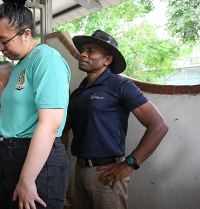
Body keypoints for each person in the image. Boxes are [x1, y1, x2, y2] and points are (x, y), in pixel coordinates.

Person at [0, 1, 71, 208]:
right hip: (9, 155)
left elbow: (50, 123)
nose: (0, 48)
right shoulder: (20, 65)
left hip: (37, 161)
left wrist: (27, 179)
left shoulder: (46, 59)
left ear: (26, 34)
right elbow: (19, 113)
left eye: (4, 41)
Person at [64, 30, 169, 209]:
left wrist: (130, 164)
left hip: (107, 174)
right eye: (83, 49)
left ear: (107, 60)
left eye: (91, 50)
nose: (83, 53)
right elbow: (64, 129)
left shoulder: (120, 85)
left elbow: (159, 126)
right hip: (80, 171)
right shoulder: (77, 92)